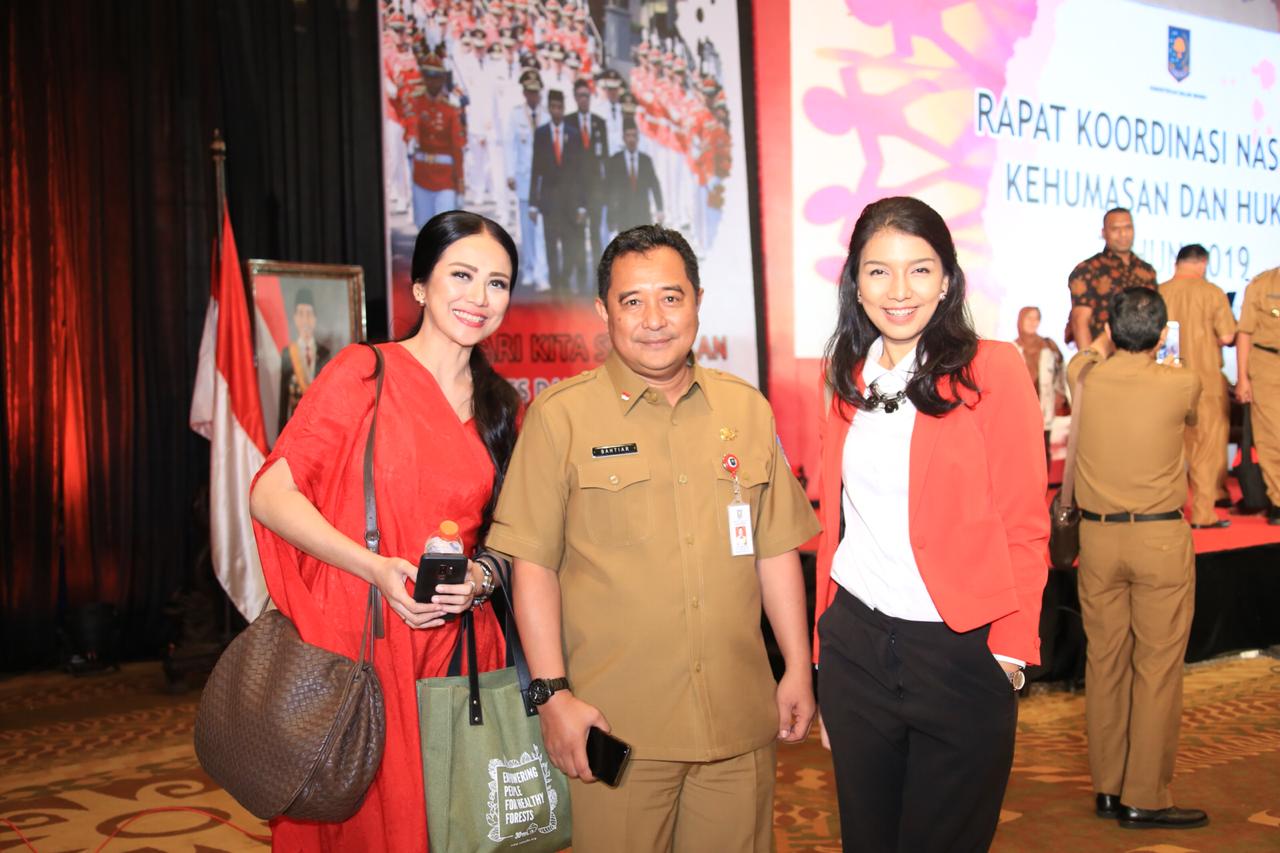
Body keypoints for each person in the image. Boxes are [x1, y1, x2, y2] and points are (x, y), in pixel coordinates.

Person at [486, 225, 821, 853]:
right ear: (602, 311)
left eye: (671, 297)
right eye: (632, 301)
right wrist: (552, 697)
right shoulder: (562, 418)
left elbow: (774, 549)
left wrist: (798, 667)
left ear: (698, 300)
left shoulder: (745, 409)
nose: (654, 320)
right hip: (615, 732)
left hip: (737, 723)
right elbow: (532, 565)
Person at [248, 211, 521, 851]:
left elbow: (514, 539)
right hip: (362, 645)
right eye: (462, 274)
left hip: (456, 652)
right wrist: (375, 567)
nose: (479, 297)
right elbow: (270, 493)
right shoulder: (364, 373)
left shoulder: (505, 409)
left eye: (498, 283)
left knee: (455, 824)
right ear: (420, 286)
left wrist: (480, 579)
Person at [814, 196, 1048, 853]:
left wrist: (1007, 652)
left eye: (919, 269)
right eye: (878, 271)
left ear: (947, 279)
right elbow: (836, 529)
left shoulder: (992, 368)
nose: (899, 290)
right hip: (856, 648)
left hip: (960, 650)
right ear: (855, 283)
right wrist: (823, 661)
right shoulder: (844, 380)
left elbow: (1024, 522)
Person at [1067, 286, 1207, 829]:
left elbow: (1090, 351)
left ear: (1110, 327)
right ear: (1162, 332)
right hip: (1158, 541)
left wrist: (1104, 337)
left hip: (1098, 542)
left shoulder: (1087, 374)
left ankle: (1107, 786)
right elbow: (1193, 413)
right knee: (1156, 669)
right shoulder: (1181, 382)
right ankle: (1144, 795)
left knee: (1104, 664)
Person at [1159, 244, 1237, 528]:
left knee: (1170, 448)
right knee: (1206, 446)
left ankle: (1171, 510)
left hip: (1166, 380)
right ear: (1202, 263)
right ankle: (1204, 513)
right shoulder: (1212, 292)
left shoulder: (1159, 293)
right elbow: (1228, 335)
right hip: (1205, 381)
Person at [1066, 207, 1158, 349]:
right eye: (1115, 229)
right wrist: (1088, 364)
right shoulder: (1089, 269)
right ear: (1104, 233)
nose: (1123, 234)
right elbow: (1080, 322)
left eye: (1128, 227)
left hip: (1144, 360)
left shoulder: (1146, 271)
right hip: (1105, 361)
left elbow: (1155, 318)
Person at [529, 88, 586, 294]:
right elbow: (536, 170)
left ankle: (564, 278)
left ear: (564, 108)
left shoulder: (574, 134)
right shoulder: (542, 134)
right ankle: (555, 287)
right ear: (549, 108)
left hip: (570, 202)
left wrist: (581, 204)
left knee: (570, 245)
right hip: (549, 201)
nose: (557, 111)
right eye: (553, 107)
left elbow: (581, 173)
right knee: (551, 246)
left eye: (560, 107)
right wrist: (533, 203)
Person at [1236, 264, 1280, 524]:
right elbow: (1245, 333)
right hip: (1268, 365)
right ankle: (1278, 499)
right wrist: (1242, 378)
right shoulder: (1262, 284)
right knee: (1271, 435)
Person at [506, 68, 550, 291]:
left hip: (543, 181)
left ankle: (543, 271)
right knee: (526, 227)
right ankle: (530, 268)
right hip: (524, 179)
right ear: (524, 93)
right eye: (528, 92)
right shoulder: (516, 115)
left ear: (540, 93)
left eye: (535, 92)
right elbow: (510, 145)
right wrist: (510, 173)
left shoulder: (547, 115)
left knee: (543, 227)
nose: (532, 96)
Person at [410, 54, 466, 228]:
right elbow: (410, 127)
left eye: (436, 78)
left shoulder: (450, 110)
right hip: (422, 174)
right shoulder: (415, 104)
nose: (432, 82)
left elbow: (457, 148)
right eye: (428, 77)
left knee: (444, 228)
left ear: (442, 79)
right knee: (424, 227)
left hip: (445, 178)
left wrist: (460, 183)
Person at [1012, 305, 1067, 469]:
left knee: (1043, 449)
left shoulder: (1049, 346)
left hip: (1044, 405)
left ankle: (1042, 487)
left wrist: (1060, 393)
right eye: (1029, 318)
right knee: (1021, 450)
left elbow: (1060, 371)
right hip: (1020, 408)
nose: (1032, 322)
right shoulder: (1012, 348)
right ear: (1021, 320)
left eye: (1036, 318)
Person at [567, 77, 609, 279]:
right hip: (574, 189)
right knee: (576, 233)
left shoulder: (599, 123)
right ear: (575, 98)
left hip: (595, 189)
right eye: (581, 96)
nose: (584, 99)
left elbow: (605, 158)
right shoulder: (568, 122)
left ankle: (597, 276)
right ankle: (581, 273)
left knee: (595, 233)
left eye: (587, 96)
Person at [278, 288, 332, 433]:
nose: (305, 320)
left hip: (320, 429)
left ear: (315, 319)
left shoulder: (325, 353)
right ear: (295, 318)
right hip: (296, 430)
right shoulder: (288, 354)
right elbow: (284, 400)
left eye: (309, 314)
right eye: (301, 314)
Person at [605, 120, 663, 235]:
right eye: (628, 136)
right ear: (623, 138)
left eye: (634, 136)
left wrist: (660, 208)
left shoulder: (646, 161)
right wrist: (610, 217)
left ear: (638, 138)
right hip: (623, 216)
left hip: (643, 215)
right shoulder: (614, 161)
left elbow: (655, 185)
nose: (631, 139)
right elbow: (610, 190)